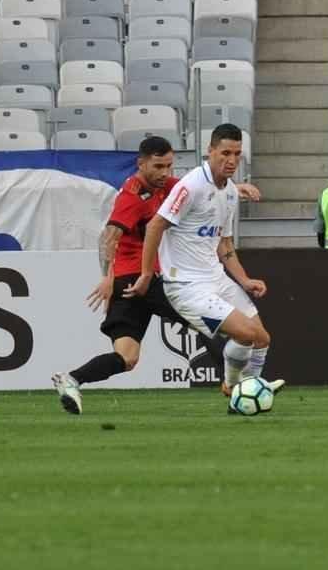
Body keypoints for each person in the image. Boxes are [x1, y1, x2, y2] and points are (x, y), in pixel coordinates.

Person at [51, 136, 260, 415]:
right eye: (158, 166)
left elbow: (197, 187)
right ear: (141, 164)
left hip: (131, 284)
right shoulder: (132, 196)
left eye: (169, 166)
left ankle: (71, 379)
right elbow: (108, 237)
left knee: (127, 357)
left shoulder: (167, 186)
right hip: (142, 279)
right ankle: (238, 390)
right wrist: (106, 277)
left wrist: (234, 187)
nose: (165, 173)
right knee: (211, 323)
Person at [126, 123, 283, 401]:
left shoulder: (230, 192)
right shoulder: (191, 186)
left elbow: (225, 245)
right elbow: (155, 226)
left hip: (216, 278)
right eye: (225, 153)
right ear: (210, 151)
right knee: (246, 334)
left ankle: (249, 388)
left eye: (237, 154)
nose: (231, 160)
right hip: (187, 287)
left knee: (262, 339)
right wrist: (147, 274)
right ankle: (235, 388)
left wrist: (244, 280)